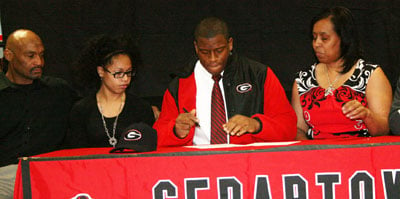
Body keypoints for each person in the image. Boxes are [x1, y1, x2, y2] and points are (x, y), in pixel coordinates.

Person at [153, 17, 297, 146]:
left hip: (250, 163)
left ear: (230, 44)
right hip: (197, 165)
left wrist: (256, 124)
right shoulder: (180, 84)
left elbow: (289, 128)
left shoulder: (258, 75)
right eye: (205, 52)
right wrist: (176, 131)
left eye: (219, 50)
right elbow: (157, 136)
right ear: (196, 48)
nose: (213, 58)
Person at [292, 6, 392, 140]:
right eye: (314, 38)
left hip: (362, 154)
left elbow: (384, 130)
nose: (316, 44)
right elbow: (298, 129)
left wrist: (367, 115)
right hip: (316, 155)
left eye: (324, 38)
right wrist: (309, 154)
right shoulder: (303, 79)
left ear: (344, 39)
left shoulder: (370, 74)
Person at [0, 29, 77, 198]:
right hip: (4, 175)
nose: (39, 62)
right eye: (30, 56)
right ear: (8, 55)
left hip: (48, 172)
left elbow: (88, 110)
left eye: (41, 55)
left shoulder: (58, 91)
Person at [66, 34, 155, 148]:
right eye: (118, 73)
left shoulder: (141, 108)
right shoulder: (82, 110)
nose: (125, 79)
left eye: (129, 72)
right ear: (101, 71)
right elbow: (76, 153)